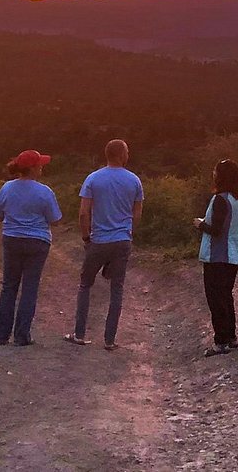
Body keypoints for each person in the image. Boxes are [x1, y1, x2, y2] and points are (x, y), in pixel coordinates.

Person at [64, 139, 143, 350]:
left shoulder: (93, 179)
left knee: (85, 285)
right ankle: (109, 340)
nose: (129, 155)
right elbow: (137, 213)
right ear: (120, 154)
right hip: (122, 240)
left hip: (98, 240)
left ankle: (79, 334)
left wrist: (86, 238)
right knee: (117, 288)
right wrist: (129, 234)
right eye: (127, 151)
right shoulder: (134, 180)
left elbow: (83, 213)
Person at [0, 149, 62, 347]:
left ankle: (0, 335)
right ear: (33, 168)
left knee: (9, 286)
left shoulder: (6, 188)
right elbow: (55, 220)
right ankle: (22, 335)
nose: (42, 168)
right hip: (37, 242)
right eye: (40, 165)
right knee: (30, 287)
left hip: (12, 239)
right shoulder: (45, 192)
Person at [193, 159, 238, 356]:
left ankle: (221, 341)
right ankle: (231, 337)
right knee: (226, 296)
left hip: (218, 255)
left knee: (216, 299)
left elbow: (216, 230)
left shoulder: (220, 199)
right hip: (234, 253)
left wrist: (200, 224)